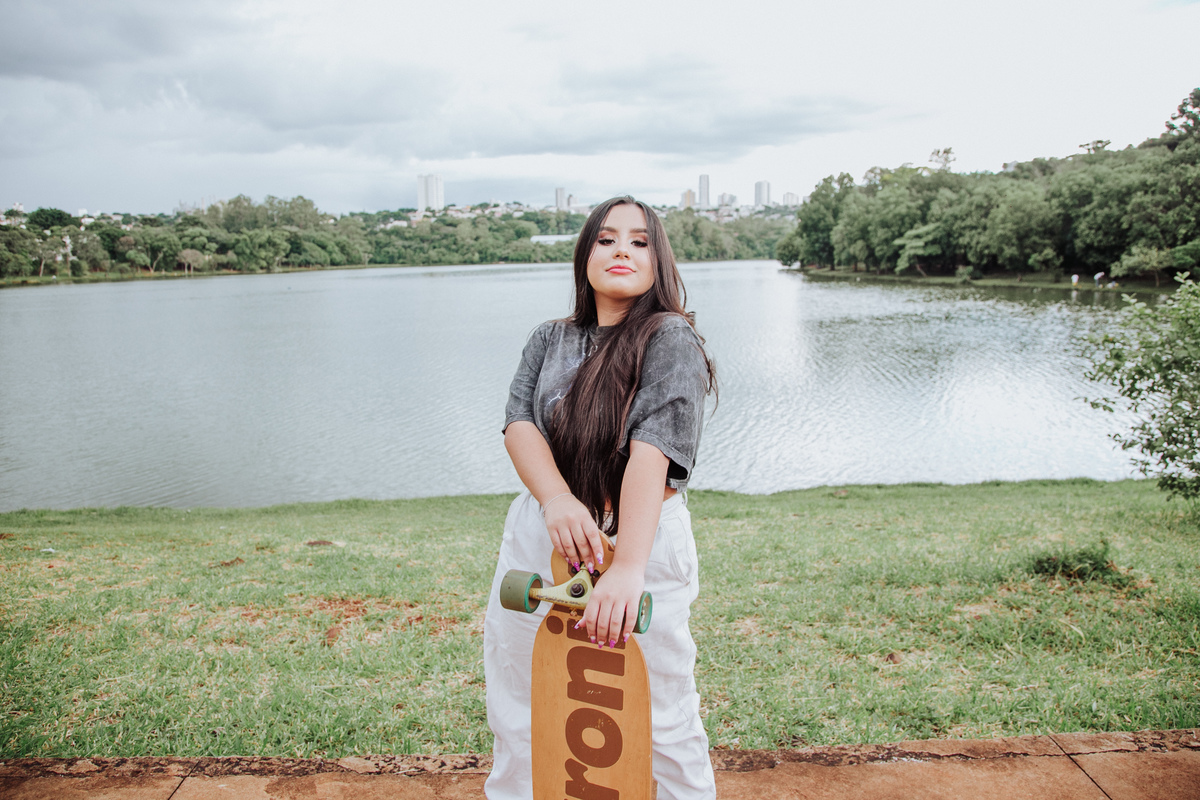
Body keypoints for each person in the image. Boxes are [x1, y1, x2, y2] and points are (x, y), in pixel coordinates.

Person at [483, 196, 718, 800]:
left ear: (659, 260)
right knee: (524, 705)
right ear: (585, 255)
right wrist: (557, 500)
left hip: (637, 536)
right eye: (606, 239)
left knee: (658, 713)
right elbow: (518, 423)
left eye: (640, 241)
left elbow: (652, 453)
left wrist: (628, 568)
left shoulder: (669, 338)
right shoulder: (549, 337)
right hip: (545, 532)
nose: (622, 251)